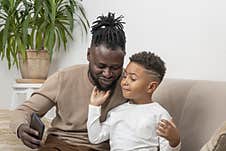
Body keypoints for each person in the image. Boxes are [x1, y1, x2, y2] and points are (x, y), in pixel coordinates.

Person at [10, 12, 127, 151]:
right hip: (61, 144)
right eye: (100, 66)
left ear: (123, 58)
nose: (107, 74)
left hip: (102, 147)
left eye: (115, 67)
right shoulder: (64, 78)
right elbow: (24, 111)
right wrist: (21, 128)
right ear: (89, 54)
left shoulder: (129, 82)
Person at [87, 51, 181, 151]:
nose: (124, 82)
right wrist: (94, 106)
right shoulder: (116, 112)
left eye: (132, 78)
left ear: (151, 87)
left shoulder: (159, 115)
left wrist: (174, 141)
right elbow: (95, 138)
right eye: (124, 76)